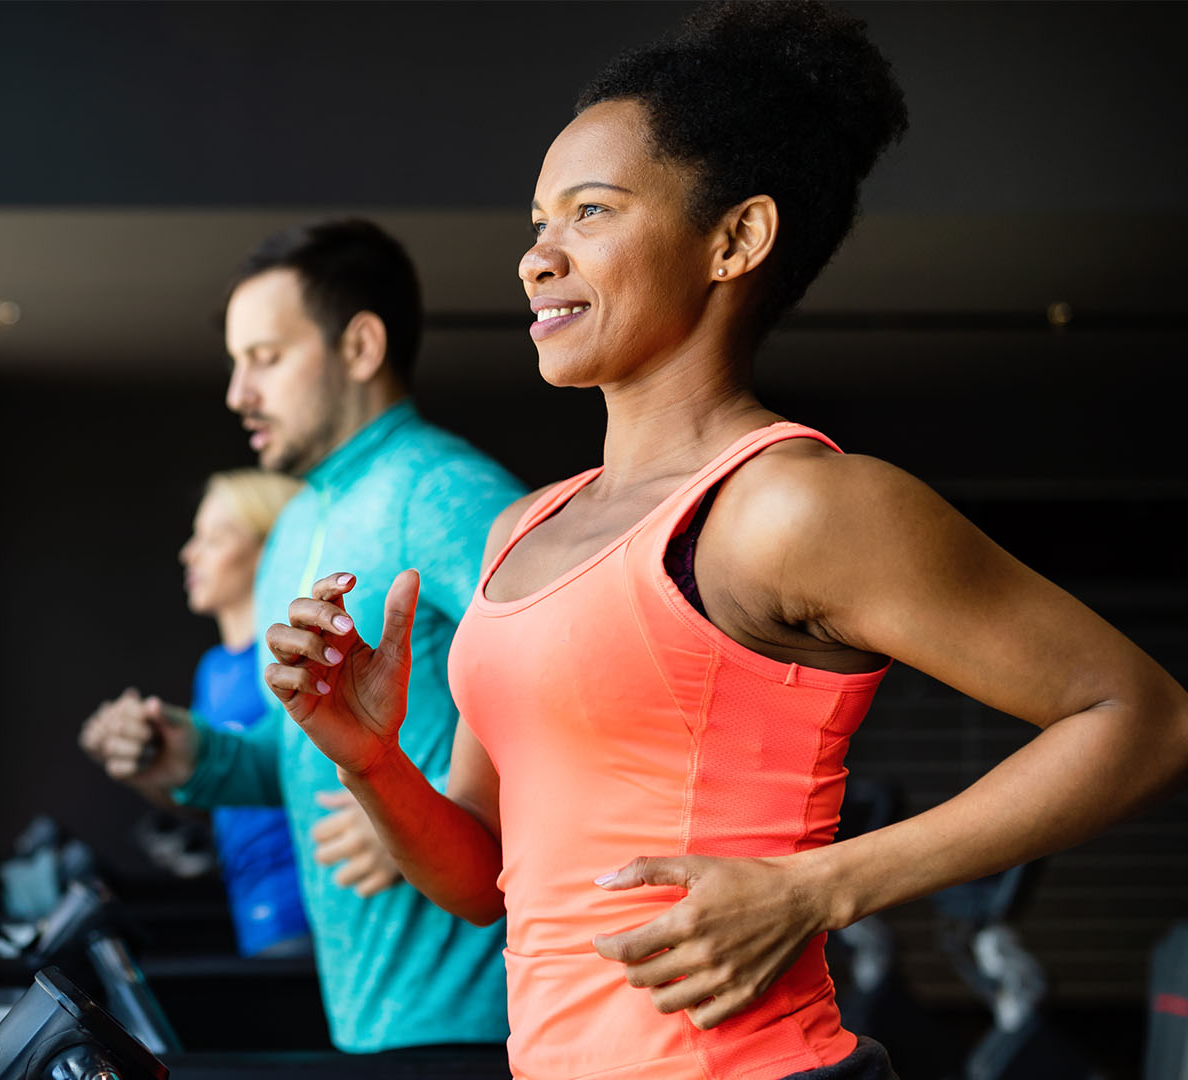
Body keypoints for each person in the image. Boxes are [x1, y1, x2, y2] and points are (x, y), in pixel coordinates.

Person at [259, 4, 1188, 1079]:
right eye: (538, 220)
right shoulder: (524, 528)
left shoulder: (789, 506)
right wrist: (369, 758)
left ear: (735, 239)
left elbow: (1146, 719)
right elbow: (483, 882)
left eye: (589, 212)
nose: (535, 259)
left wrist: (820, 887)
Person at [80, 219, 522, 1054]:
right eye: (236, 361)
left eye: (266, 358)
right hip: (365, 1020)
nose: (237, 392)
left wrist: (418, 810)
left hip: (479, 1023)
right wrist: (191, 755)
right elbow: (301, 765)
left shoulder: (442, 488)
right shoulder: (298, 524)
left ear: (360, 346)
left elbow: (565, 669)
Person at [86, 469, 314, 956]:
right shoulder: (214, 669)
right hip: (249, 908)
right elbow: (212, 796)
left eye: (216, 538)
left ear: (273, 548)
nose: (189, 553)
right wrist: (137, 764)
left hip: (305, 908)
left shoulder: (294, 660)